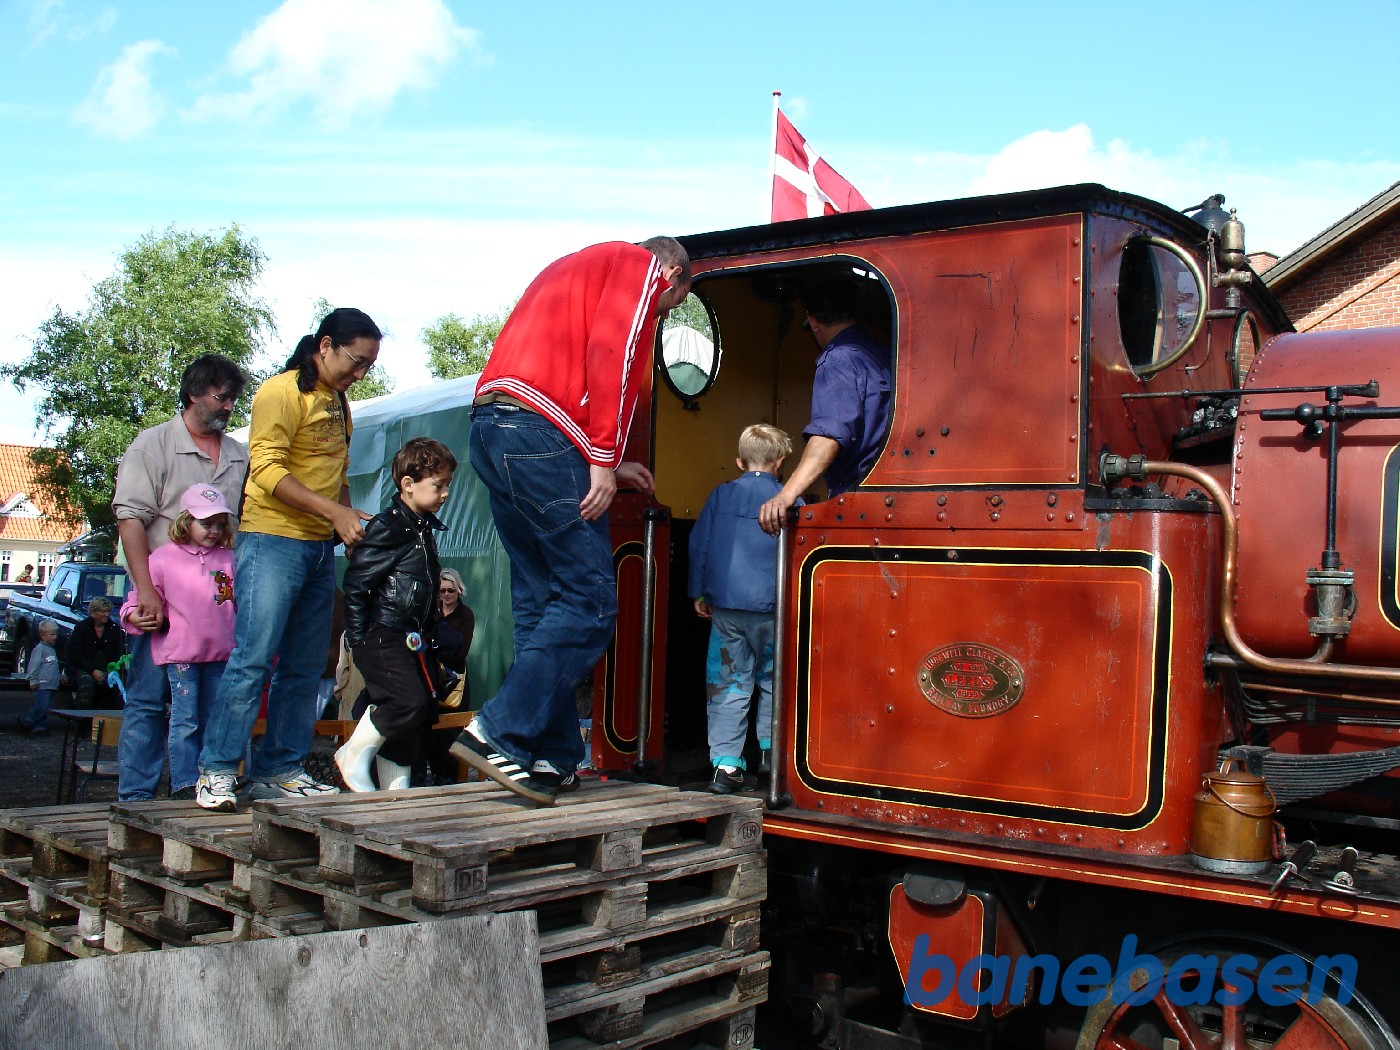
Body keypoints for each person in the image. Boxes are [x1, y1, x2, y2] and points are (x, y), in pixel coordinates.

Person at [450, 236, 691, 804]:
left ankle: (548, 757)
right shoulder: (640, 267)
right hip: (538, 434)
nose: (660, 311)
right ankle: (498, 732)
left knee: (541, 602)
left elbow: (554, 373)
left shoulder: (572, 269)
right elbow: (614, 350)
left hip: (494, 428)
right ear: (674, 273)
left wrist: (597, 456)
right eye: (672, 303)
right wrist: (604, 458)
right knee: (589, 602)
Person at [196, 308, 381, 810]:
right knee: (254, 657)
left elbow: (335, 471)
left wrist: (347, 516)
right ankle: (216, 770)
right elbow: (267, 472)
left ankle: (279, 768)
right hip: (272, 540)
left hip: (319, 547)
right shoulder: (280, 392)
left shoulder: (339, 403)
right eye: (356, 361)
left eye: (369, 366)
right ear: (325, 346)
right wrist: (333, 513)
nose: (360, 373)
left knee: (304, 666)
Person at [113, 353, 249, 801]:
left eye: (233, 399)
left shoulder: (236, 454)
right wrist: (147, 593)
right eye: (221, 397)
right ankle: (136, 797)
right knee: (150, 702)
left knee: (209, 706)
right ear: (193, 393)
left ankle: (191, 789)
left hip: (210, 610)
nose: (229, 407)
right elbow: (131, 519)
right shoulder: (152, 445)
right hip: (159, 595)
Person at [335, 438, 456, 792]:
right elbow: (357, 582)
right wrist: (358, 638)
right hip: (382, 632)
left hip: (411, 635)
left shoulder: (422, 528)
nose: (445, 494)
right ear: (408, 484)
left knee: (420, 711)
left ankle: (395, 784)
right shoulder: (390, 526)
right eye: (438, 485)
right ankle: (353, 755)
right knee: (406, 702)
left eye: (448, 485)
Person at [689, 424, 793, 793]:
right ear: (781, 461)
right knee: (774, 681)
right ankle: (771, 754)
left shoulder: (721, 495)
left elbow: (699, 544)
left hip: (728, 609)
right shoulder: (789, 498)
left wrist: (700, 592)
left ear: (739, 460)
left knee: (728, 684)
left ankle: (727, 766)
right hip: (774, 610)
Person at [119, 485, 237, 802]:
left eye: (219, 524)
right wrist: (131, 615)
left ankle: (212, 779)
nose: (213, 531)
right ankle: (184, 783)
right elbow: (138, 599)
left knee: (216, 718)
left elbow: (241, 602)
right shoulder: (162, 559)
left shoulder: (229, 559)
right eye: (205, 523)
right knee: (185, 719)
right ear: (185, 521)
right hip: (181, 657)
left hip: (221, 655)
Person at [758, 281, 892, 535]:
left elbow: (829, 436)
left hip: (857, 500)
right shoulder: (885, 354)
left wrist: (785, 496)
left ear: (813, 321)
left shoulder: (839, 358)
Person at [67, 598, 126, 709]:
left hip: (107, 667)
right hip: (83, 667)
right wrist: (92, 670)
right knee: (87, 684)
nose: (107, 614)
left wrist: (115, 670)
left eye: (108, 611)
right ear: (93, 613)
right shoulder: (81, 628)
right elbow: (75, 654)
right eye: (103, 611)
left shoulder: (114, 629)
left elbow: (119, 652)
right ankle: (82, 719)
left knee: (120, 683)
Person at [17, 620, 61, 733]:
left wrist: (60, 676)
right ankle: (25, 720)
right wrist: (33, 679)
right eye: (52, 634)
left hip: (51, 684)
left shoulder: (52, 650)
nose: (55, 637)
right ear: (42, 635)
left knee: (47, 707)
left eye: (56, 634)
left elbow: (53, 667)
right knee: (40, 706)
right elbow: (33, 665)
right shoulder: (40, 649)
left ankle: (39, 726)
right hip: (42, 684)